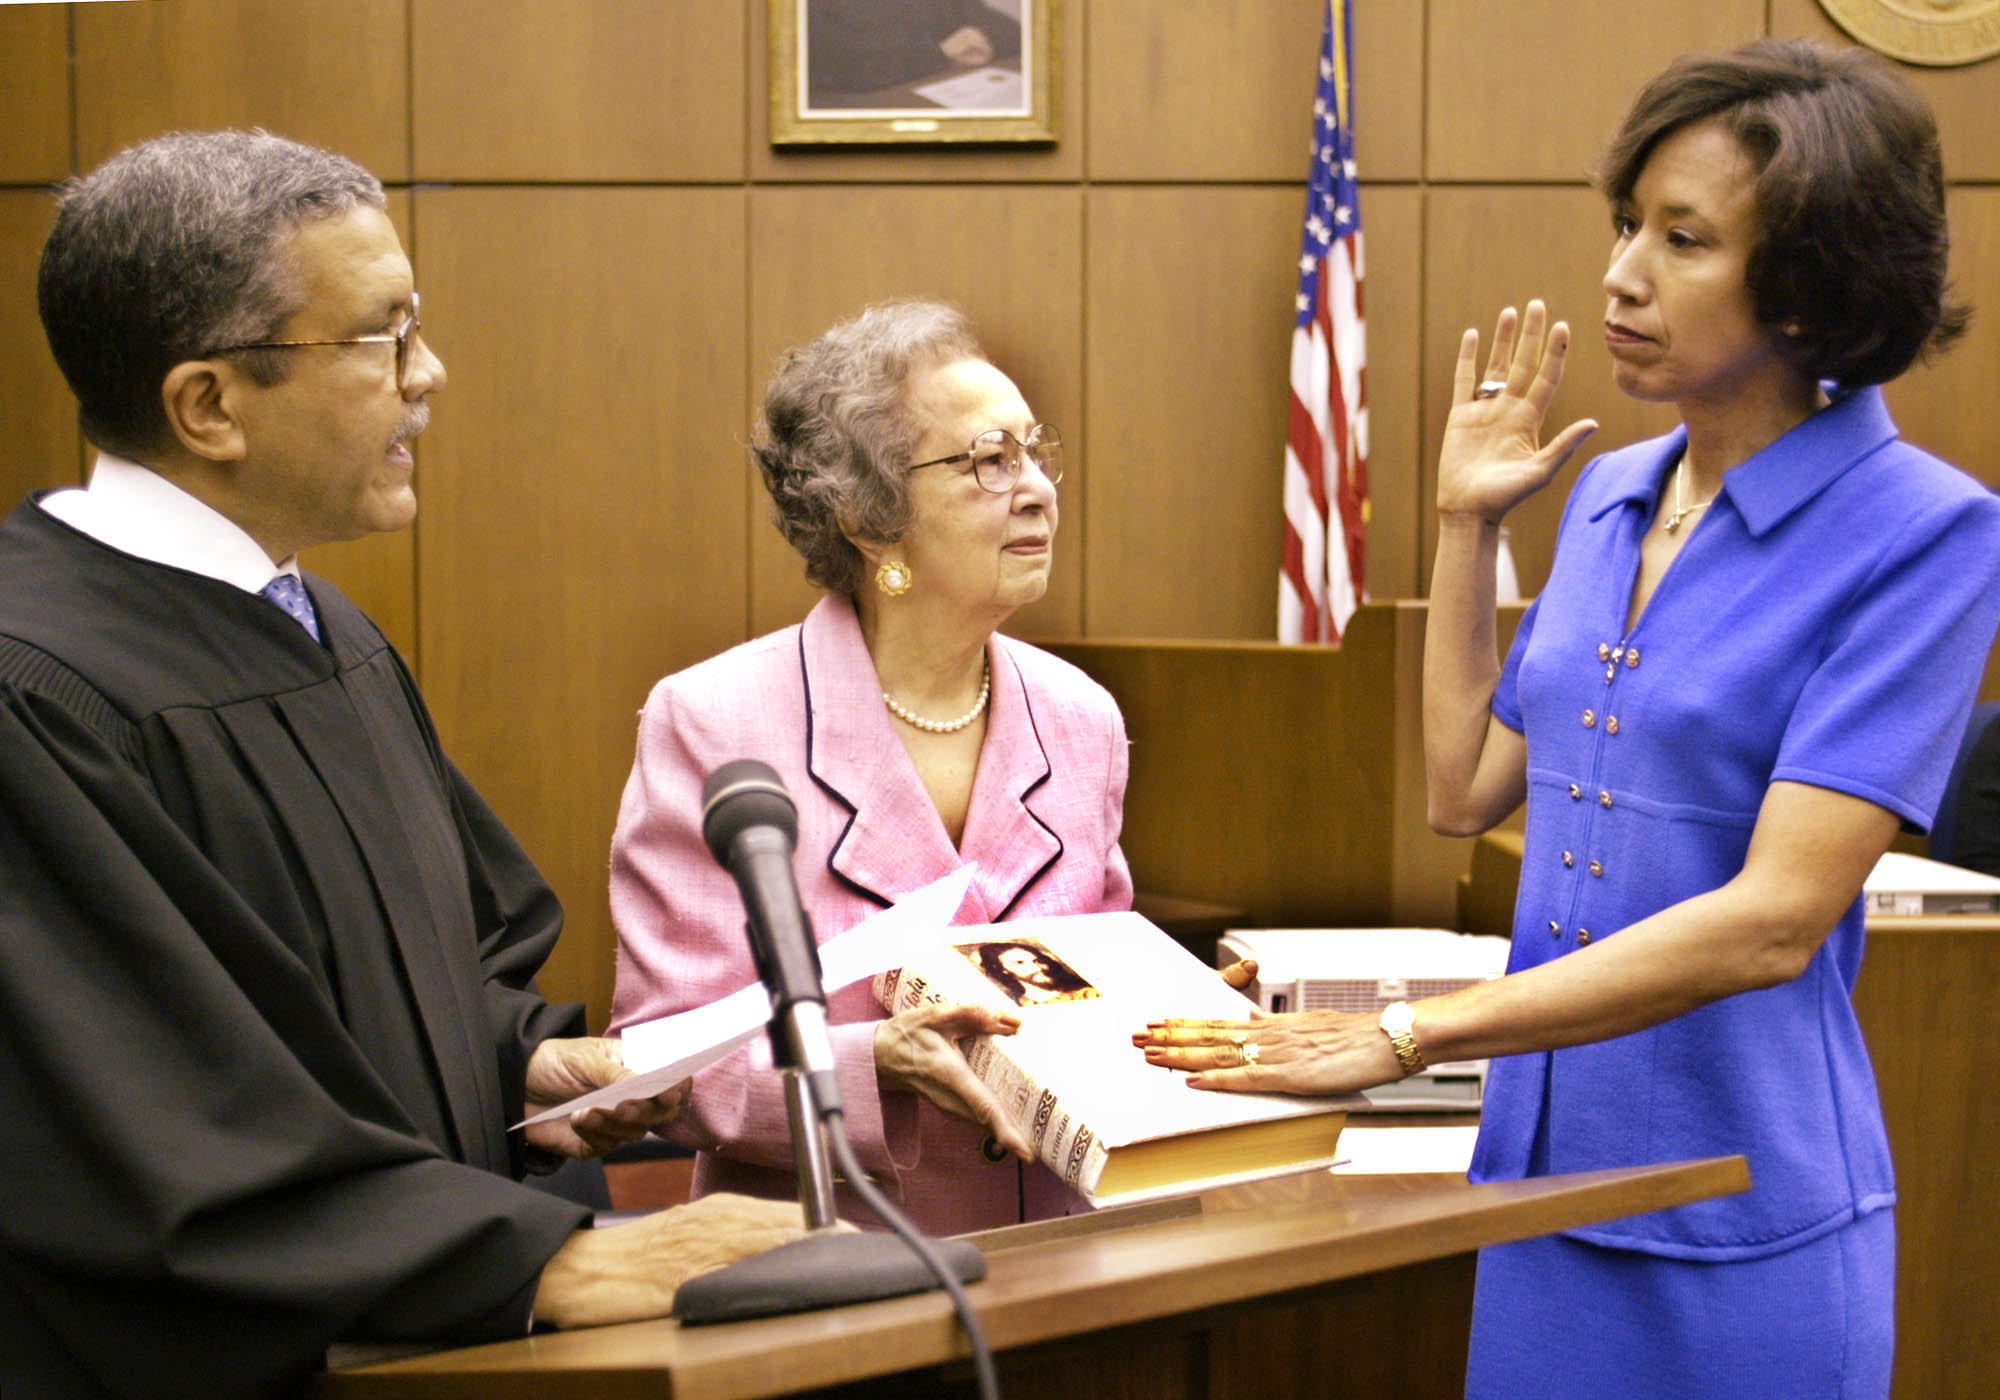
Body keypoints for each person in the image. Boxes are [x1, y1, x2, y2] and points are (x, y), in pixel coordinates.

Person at [1135, 39, 2000, 1398]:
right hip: (1542, 1188)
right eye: (1626, 222)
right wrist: (1467, 526)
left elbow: (1779, 920)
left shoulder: (1928, 534)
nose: (1622, 272)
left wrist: (1410, 1032)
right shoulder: (1607, 494)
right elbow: (1463, 789)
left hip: (1748, 1205)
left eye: (1685, 238)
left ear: (1812, 286)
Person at [0, 130, 803, 1400]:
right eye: (380, 337)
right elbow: (137, 1123)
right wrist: (544, 1261)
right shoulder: (32, 689)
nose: (430, 373)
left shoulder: (324, 632)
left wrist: (526, 1065)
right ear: (207, 403)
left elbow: (389, 979)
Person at [609, 298, 1132, 1235]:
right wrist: (871, 1061)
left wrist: (1168, 1018)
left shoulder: (1082, 718)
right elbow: (661, 1064)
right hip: (828, 1266)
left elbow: (1098, 977)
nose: (1038, 489)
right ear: (869, 520)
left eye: (1035, 450)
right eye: (987, 460)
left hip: (1061, 1257)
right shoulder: (715, 722)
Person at [806, 0, 1022, 103]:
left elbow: (1013, 32)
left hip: (936, 98)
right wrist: (941, 52)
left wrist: (983, 40)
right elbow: (850, 68)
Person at [963, 939, 1102, 1005]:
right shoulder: (1011, 1002)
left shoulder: (1085, 993)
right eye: (1019, 963)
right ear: (1003, 970)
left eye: (1036, 961)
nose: (1037, 968)